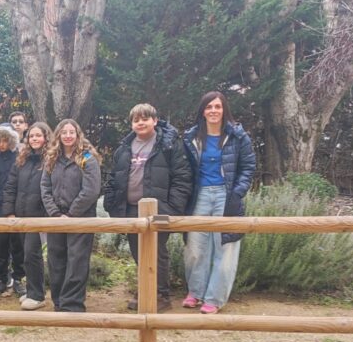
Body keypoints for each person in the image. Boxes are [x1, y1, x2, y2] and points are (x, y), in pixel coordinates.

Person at [103, 104, 193, 312]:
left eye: (145, 118)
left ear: (155, 120)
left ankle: (161, 295)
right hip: (130, 209)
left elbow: (182, 178)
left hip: (159, 210)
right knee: (138, 252)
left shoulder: (168, 145)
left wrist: (172, 207)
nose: (140, 123)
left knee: (156, 252)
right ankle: (145, 289)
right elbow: (113, 178)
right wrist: (112, 204)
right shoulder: (124, 148)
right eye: (136, 120)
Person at [182, 91, 256, 314]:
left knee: (225, 249)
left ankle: (214, 299)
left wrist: (237, 193)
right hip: (200, 196)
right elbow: (184, 169)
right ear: (203, 111)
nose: (213, 110)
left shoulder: (238, 136)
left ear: (224, 110)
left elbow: (248, 167)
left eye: (217, 106)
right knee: (195, 248)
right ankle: (195, 292)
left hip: (227, 196)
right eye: (209, 107)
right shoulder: (191, 137)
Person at [40, 119, 102, 312]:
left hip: (81, 217)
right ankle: (59, 302)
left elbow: (91, 190)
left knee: (77, 261)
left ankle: (72, 304)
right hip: (56, 218)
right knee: (56, 259)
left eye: (71, 132)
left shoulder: (87, 158)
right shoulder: (52, 158)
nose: (67, 136)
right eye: (64, 132)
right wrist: (55, 213)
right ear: (58, 135)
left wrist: (72, 213)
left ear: (77, 134)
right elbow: (45, 188)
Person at [3, 122, 52, 310]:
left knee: (32, 254)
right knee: (26, 255)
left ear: (46, 137)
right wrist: (9, 211)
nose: (34, 139)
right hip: (21, 215)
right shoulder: (22, 160)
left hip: (38, 216)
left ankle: (37, 295)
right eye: (31, 136)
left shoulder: (50, 159)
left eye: (38, 135)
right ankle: (32, 290)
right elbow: (10, 186)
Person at [0, 124, 25, 298]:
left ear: (11, 141)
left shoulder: (19, 158)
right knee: (0, 246)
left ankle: (18, 278)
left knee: (18, 245)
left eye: (5, 141)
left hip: (16, 207)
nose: (2, 144)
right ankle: (0, 279)